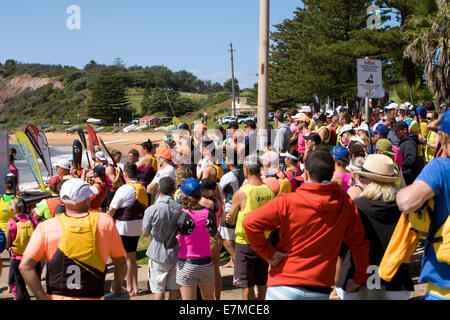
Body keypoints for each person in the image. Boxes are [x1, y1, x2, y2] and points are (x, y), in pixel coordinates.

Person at [243, 149, 370, 300]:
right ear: (331, 173)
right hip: (319, 288)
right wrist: (359, 277)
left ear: (306, 174)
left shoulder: (287, 201)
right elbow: (359, 243)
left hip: (283, 285)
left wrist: (269, 254)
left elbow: (250, 223)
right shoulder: (345, 203)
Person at [19, 178, 128, 300]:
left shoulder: (46, 227)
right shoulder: (104, 222)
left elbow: (25, 266)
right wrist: (117, 286)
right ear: (87, 199)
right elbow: (120, 262)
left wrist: (41, 296)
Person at [335, 154, 414, 300]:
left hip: (355, 279)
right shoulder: (405, 209)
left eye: (362, 178)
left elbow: (341, 247)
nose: (359, 181)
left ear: (371, 181)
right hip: (396, 280)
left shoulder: (356, 207)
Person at [396, 110, 450, 300]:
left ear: (443, 137)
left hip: (444, 282)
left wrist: (398, 189)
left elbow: (407, 201)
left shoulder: (441, 167)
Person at [225, 155, 275, 300]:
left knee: (247, 285)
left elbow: (231, 219)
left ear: (245, 169)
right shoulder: (269, 190)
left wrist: (229, 216)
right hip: (264, 242)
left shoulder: (241, 193)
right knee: (262, 282)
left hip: (245, 243)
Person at [165, 177, 217, 300]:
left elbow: (168, 243)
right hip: (206, 263)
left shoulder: (180, 215)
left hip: (186, 264)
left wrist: (178, 239)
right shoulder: (209, 213)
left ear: (183, 194)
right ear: (200, 193)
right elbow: (213, 233)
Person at [108, 162, 148, 296]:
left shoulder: (125, 188)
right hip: (137, 225)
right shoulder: (141, 187)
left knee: (127, 258)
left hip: (124, 226)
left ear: (125, 174)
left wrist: (107, 220)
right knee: (132, 257)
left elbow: (112, 208)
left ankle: (130, 288)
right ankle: (134, 287)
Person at [142, 177, 181, 300]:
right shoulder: (180, 209)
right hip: (176, 251)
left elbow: (145, 233)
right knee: (174, 288)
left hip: (158, 252)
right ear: (174, 190)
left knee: (158, 289)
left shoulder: (152, 210)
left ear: (158, 190)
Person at [5, 197, 40, 300]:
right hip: (33, 257)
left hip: (18, 259)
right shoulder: (33, 220)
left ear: (12, 209)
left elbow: (7, 244)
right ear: (23, 206)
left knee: (20, 287)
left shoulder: (10, 223)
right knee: (37, 288)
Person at [199, 178, 224, 300]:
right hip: (217, 237)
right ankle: (217, 298)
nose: (199, 191)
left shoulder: (205, 201)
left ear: (209, 191)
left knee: (204, 273)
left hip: (208, 239)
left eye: (202, 189)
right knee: (215, 270)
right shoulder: (219, 201)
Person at [218, 151, 243, 268]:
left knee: (227, 238)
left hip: (229, 208)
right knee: (236, 236)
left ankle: (236, 260)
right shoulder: (244, 173)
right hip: (241, 208)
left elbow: (218, 191)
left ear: (229, 160)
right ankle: (233, 261)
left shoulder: (227, 176)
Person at [392, 120, 419, 185]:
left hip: (408, 178)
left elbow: (410, 160)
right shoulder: (402, 142)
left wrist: (398, 166)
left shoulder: (410, 143)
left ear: (404, 130)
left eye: (397, 131)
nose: (395, 134)